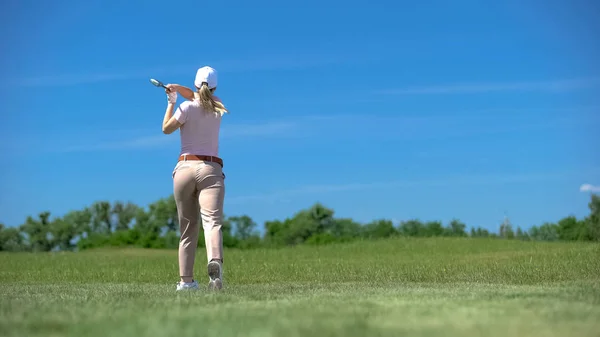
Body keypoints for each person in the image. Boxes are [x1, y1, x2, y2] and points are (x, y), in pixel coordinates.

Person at [161, 66, 229, 291]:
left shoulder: (185, 107)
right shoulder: (218, 106)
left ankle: (186, 282)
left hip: (184, 168)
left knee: (188, 228)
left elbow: (166, 129)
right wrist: (180, 90)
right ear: (215, 86)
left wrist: (171, 100)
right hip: (210, 168)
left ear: (195, 83)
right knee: (212, 223)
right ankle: (214, 262)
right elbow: (200, 96)